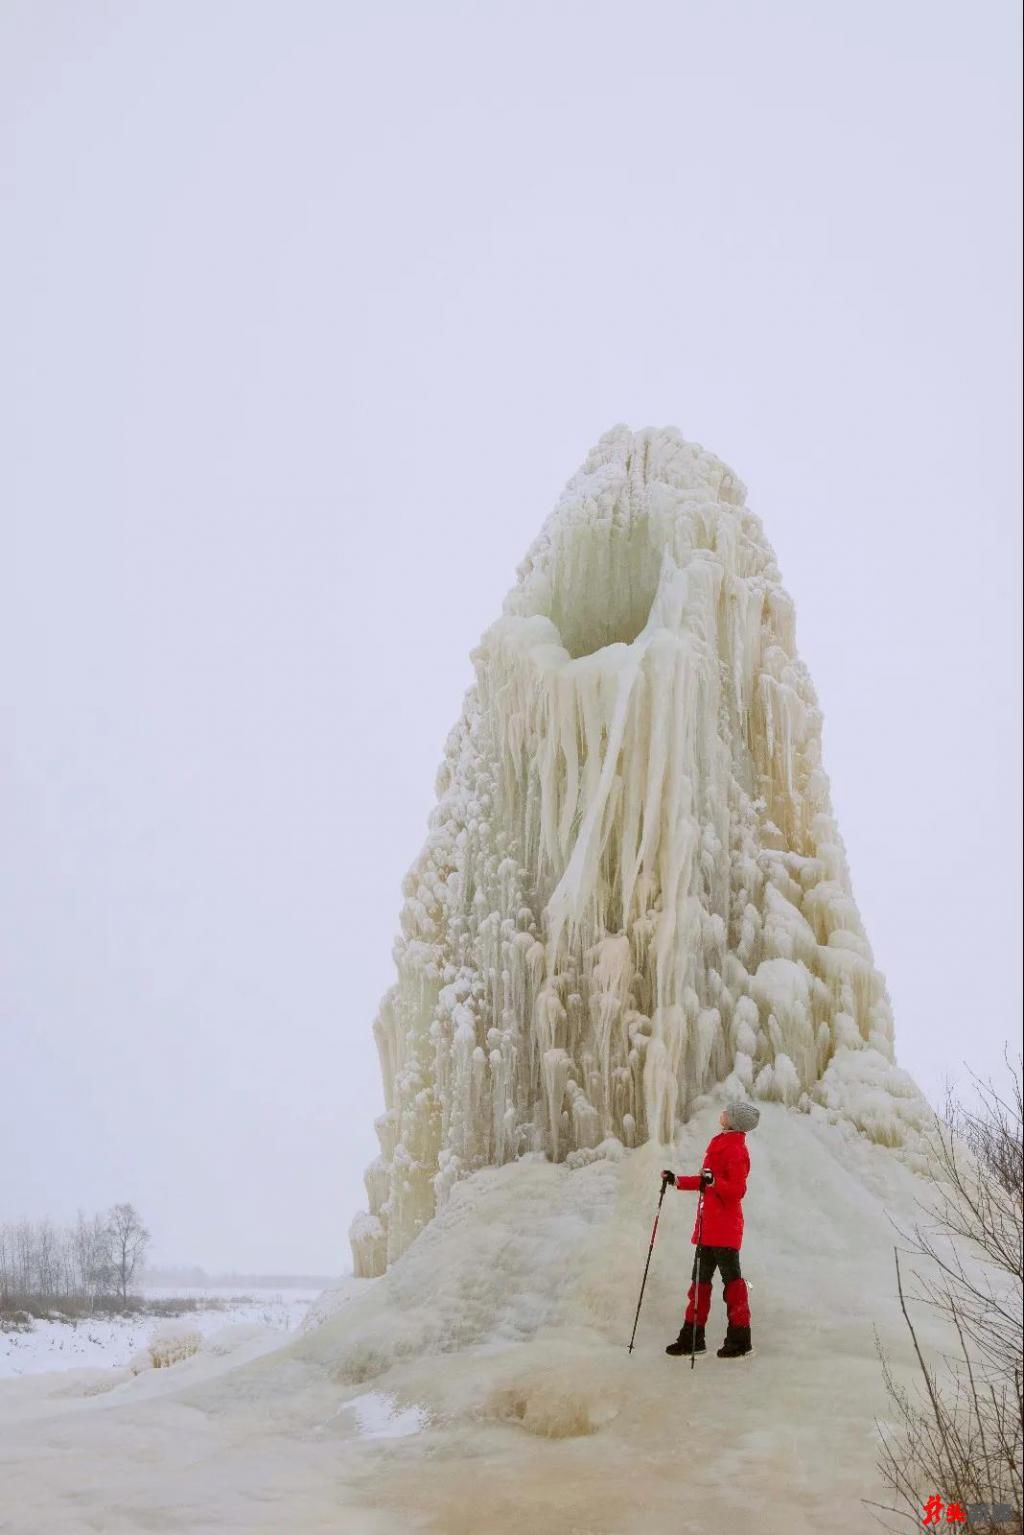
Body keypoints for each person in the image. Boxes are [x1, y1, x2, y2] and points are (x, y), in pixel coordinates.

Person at [661, 1100, 760, 1359]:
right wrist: (677, 1181)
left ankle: (740, 1338)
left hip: (726, 1230)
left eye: (728, 1112)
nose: (723, 1113)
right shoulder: (719, 1143)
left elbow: (737, 1190)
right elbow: (706, 1183)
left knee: (733, 1286)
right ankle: (692, 1337)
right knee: (699, 1285)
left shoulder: (737, 1150)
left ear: (734, 1121)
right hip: (707, 1228)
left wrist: (714, 1181)